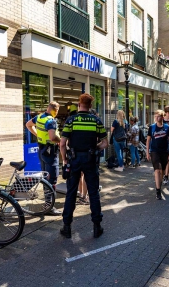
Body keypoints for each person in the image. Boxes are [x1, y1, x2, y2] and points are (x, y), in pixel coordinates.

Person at [59, 93, 108, 238]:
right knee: (93, 193)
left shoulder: (71, 120)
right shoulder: (96, 121)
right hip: (90, 160)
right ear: (90, 106)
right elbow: (105, 143)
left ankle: (67, 227)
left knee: (71, 192)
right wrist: (95, 149)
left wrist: (65, 160)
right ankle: (97, 226)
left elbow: (62, 143)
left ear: (79, 105)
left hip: (74, 160)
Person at [25, 101, 62, 216]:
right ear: (55, 110)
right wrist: (61, 141)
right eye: (57, 111)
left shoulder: (39, 117)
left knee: (45, 177)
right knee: (52, 180)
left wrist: (37, 135)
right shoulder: (51, 121)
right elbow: (52, 137)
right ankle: (49, 207)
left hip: (41, 150)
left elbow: (28, 125)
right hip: (50, 152)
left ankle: (47, 204)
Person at [146, 110, 169, 200]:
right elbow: (148, 140)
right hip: (154, 151)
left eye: (159, 116)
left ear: (162, 117)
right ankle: (158, 191)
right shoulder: (152, 127)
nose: (158, 117)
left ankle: (159, 185)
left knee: (162, 171)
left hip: (164, 152)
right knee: (157, 170)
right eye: (156, 116)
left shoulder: (167, 127)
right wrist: (147, 152)